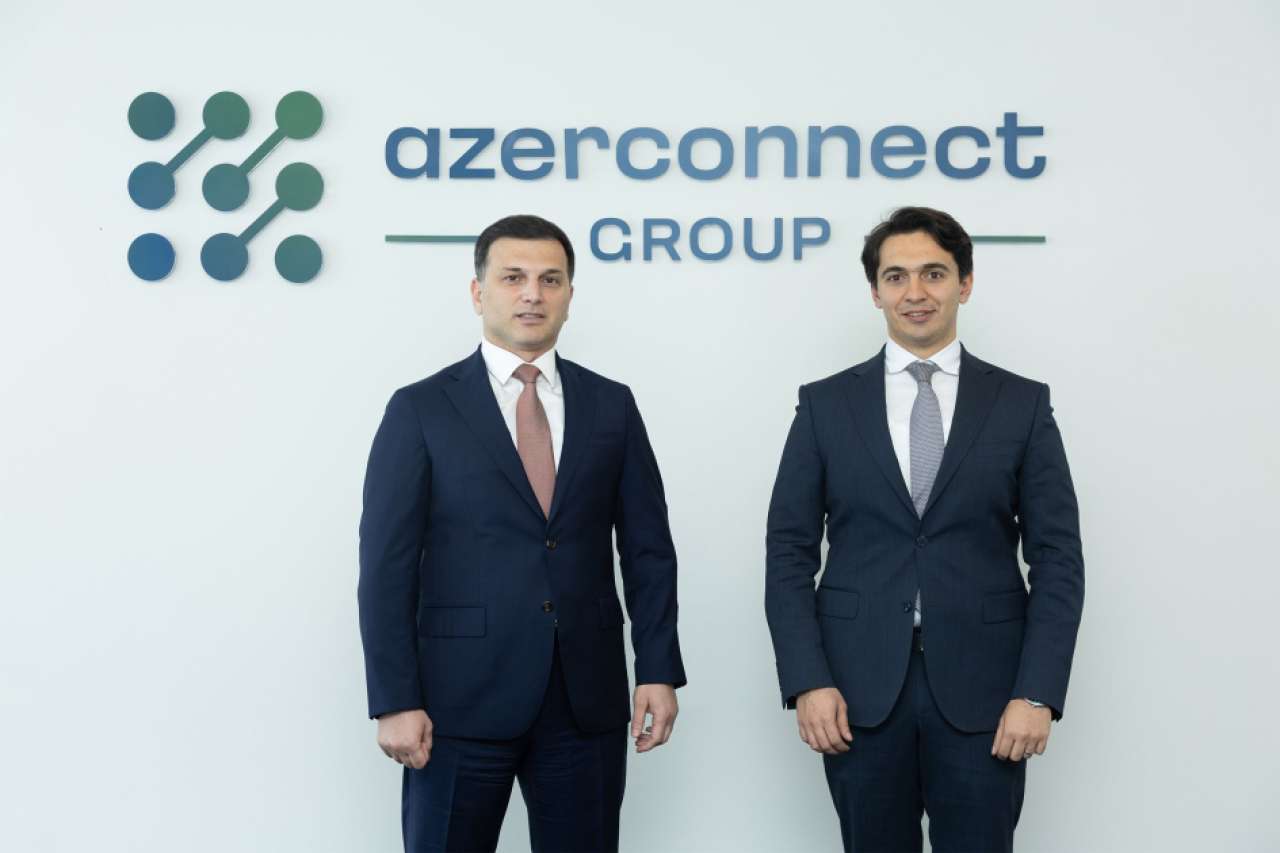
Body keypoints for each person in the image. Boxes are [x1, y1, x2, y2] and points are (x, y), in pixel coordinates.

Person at [358, 214, 686, 853]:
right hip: (456, 702)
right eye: (513, 278)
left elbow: (648, 551)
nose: (533, 294)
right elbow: (385, 567)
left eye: (550, 280)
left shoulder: (612, 405)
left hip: (584, 700)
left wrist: (658, 669)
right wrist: (394, 698)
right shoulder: (420, 408)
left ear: (569, 294)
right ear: (478, 292)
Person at [764, 206, 1084, 852]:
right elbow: (788, 552)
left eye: (934, 273)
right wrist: (807, 679)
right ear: (875, 291)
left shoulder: (1021, 404)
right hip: (856, 693)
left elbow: (1058, 558)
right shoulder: (824, 404)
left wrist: (1037, 692)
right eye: (897, 276)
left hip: (987, 694)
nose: (915, 292)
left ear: (965, 283)